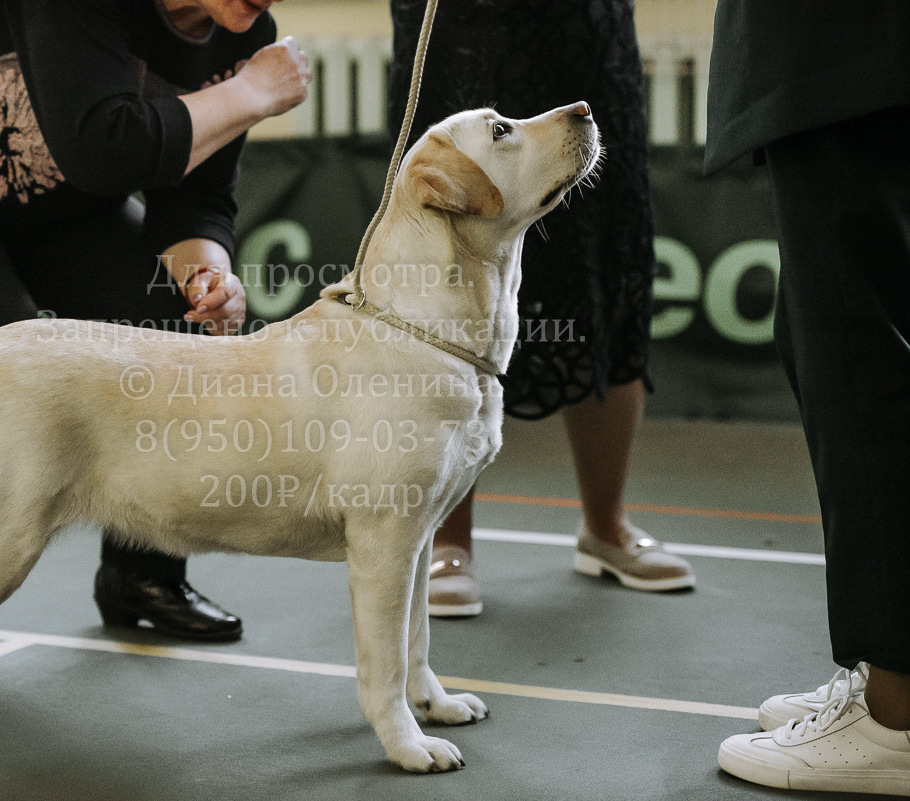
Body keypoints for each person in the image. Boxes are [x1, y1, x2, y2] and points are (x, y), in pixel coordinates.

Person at [0, 0, 310, 645]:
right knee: (3, 370)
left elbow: (195, 198)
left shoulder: (242, 34)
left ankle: (142, 574)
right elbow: (104, 149)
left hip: (58, 207)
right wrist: (250, 93)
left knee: (173, 320)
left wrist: (206, 275)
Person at [387, 0, 694, 617]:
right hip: (462, 31)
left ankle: (606, 529)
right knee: (447, 279)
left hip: (587, 33)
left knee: (608, 278)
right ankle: (446, 543)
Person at [704, 1, 910, 794]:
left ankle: (895, 712)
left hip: (845, 52)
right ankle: (887, 669)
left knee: (859, 364)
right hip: (866, 58)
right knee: (862, 346)